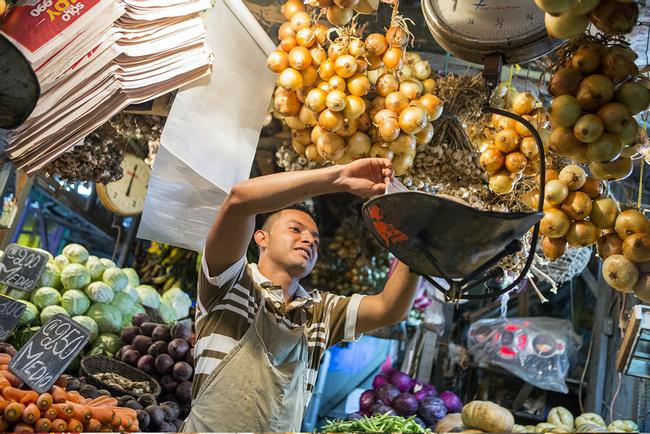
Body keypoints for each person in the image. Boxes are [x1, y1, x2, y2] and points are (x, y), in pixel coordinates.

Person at [182, 158, 421, 432]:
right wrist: (339, 177)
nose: (309, 240)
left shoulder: (321, 311)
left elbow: (391, 308)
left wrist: (418, 238)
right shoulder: (230, 282)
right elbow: (240, 200)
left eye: (316, 240)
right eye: (295, 229)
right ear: (261, 238)